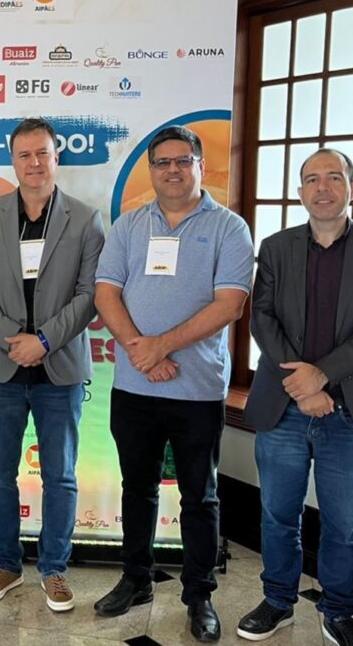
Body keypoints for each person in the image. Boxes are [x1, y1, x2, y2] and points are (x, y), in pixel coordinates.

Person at [237, 149, 353, 646]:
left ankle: (338, 611)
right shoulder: (276, 247)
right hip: (284, 407)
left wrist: (322, 376)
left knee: (342, 523)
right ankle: (277, 601)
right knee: (278, 515)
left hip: (351, 411)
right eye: (312, 179)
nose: (322, 187)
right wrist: (301, 383)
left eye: (334, 177)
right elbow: (262, 318)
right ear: (300, 191)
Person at [93, 126, 254, 642]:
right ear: (151, 170)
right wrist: (141, 351)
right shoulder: (129, 225)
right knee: (137, 489)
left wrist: (160, 346)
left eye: (183, 160)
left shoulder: (229, 228)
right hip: (134, 387)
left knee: (199, 497)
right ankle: (136, 579)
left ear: (200, 165)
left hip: (196, 391)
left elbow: (229, 305)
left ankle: (199, 595)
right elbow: (105, 293)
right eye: (162, 162)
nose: (172, 170)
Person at [0, 118, 105, 612]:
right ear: (12, 161)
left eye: (42, 153)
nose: (34, 163)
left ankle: (54, 569)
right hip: (1, 367)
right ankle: (6, 564)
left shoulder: (85, 219)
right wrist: (14, 340)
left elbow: (90, 295)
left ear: (56, 157)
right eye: (24, 155)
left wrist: (44, 340)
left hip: (59, 368)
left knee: (60, 476)